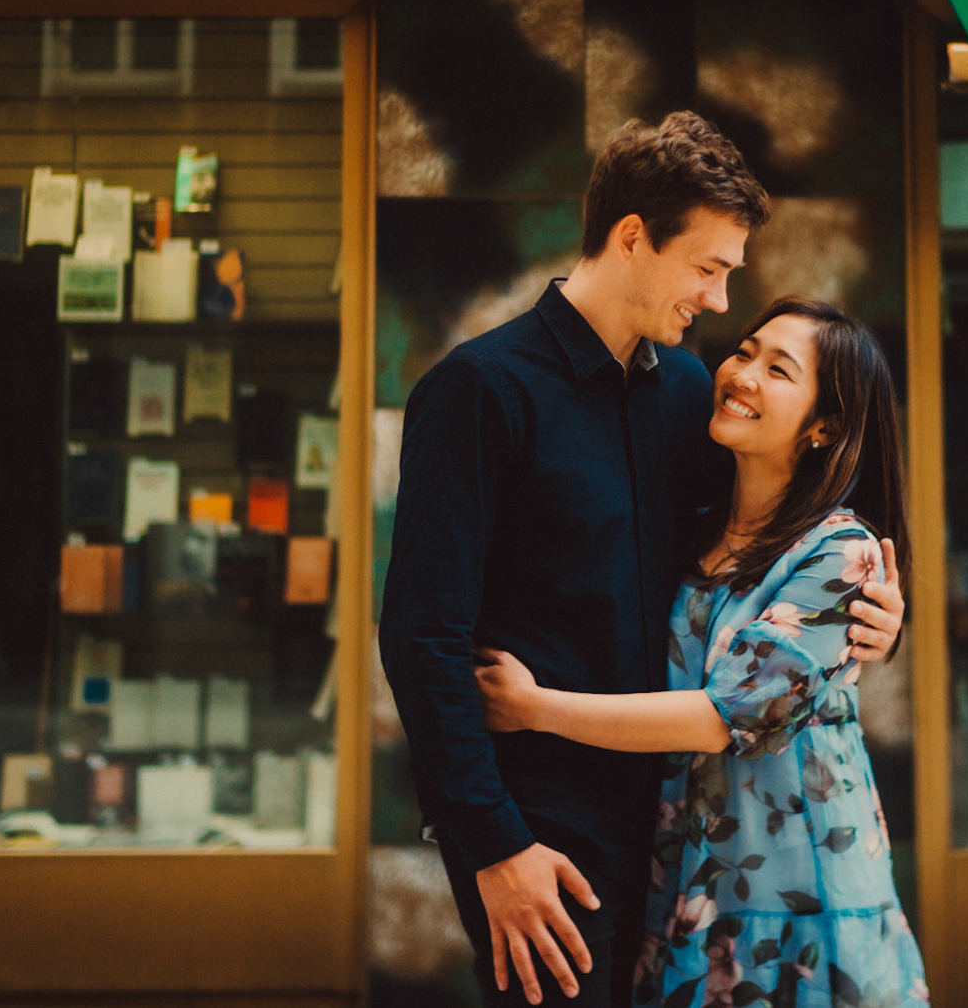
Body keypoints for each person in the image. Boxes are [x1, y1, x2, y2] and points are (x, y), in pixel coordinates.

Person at [379, 114, 907, 1008]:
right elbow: (424, 636)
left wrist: (868, 634)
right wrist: (494, 847)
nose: (717, 299)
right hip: (542, 840)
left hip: (686, 837)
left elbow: (759, 580)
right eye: (707, 267)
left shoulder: (694, 397)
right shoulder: (479, 392)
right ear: (633, 238)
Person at [475, 298, 928, 1007]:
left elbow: (724, 716)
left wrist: (534, 707)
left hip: (797, 887)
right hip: (693, 872)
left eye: (777, 368)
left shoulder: (841, 552)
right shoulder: (693, 532)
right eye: (745, 351)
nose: (742, 373)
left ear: (824, 427)